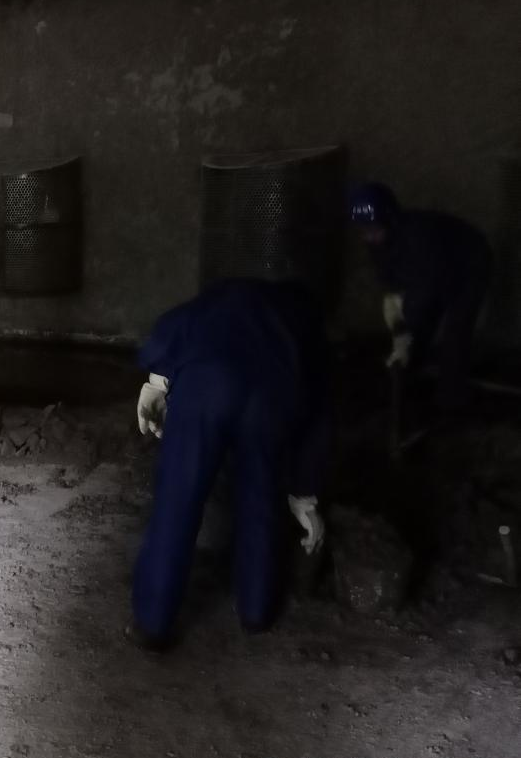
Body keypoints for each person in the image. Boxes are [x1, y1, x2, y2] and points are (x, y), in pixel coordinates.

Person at [129, 279, 329, 650]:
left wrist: (157, 382)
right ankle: (256, 612)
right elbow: (317, 415)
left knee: (178, 497)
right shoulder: (308, 321)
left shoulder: (216, 300)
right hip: (271, 396)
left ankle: (153, 623)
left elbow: (168, 330)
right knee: (260, 498)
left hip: (207, 385)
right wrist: (305, 496)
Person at [348, 182, 492, 412]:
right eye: (364, 231)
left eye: (373, 229)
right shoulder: (380, 242)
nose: (369, 237)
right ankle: (406, 379)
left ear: (390, 220)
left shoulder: (418, 239)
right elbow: (392, 284)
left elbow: (424, 293)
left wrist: (403, 335)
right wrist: (396, 318)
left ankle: (451, 399)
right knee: (417, 326)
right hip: (435, 270)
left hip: (470, 264)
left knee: (455, 331)